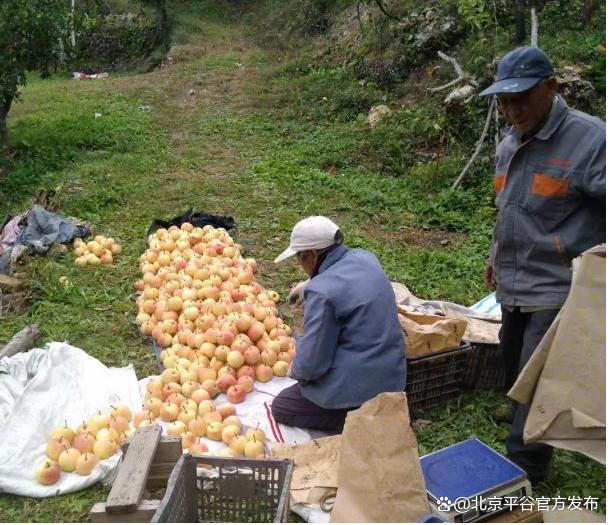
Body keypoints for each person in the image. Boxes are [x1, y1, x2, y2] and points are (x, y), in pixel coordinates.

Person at [480, 47, 605, 482]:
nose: (512, 111)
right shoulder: (509, 142)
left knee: (539, 382)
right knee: (512, 361)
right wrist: (495, 255)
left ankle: (524, 472)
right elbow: (508, 207)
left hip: (558, 285)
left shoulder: (591, 140)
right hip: (514, 280)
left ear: (551, 87)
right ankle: (520, 418)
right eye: (505, 101)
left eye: (522, 98)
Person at [271, 216, 407, 433]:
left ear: (312, 255)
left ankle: (355, 421)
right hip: (393, 376)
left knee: (282, 406)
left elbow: (312, 365)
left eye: (299, 257)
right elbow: (345, 279)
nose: (299, 263)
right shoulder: (366, 257)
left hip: (361, 388)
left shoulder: (323, 293)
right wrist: (309, 284)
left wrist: (293, 368)